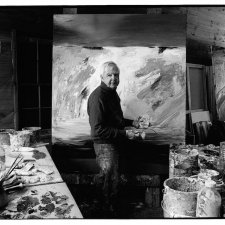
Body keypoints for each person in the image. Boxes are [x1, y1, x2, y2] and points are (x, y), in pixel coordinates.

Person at [87, 61, 148, 215]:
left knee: (114, 179)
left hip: (114, 141)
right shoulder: (98, 97)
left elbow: (115, 121)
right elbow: (97, 130)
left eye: (116, 75)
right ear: (101, 76)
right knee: (110, 178)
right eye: (109, 75)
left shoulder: (111, 93)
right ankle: (106, 213)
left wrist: (133, 123)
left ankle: (111, 208)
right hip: (104, 144)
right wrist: (124, 133)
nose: (114, 78)